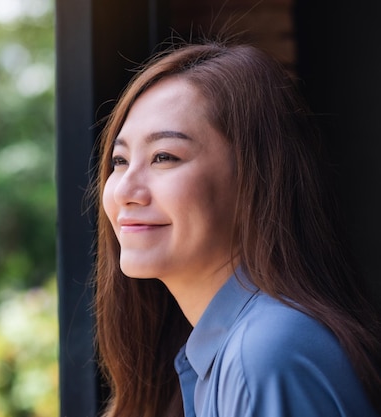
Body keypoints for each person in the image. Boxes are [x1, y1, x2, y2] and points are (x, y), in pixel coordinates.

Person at [91, 42, 381, 417]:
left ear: (255, 178)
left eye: (164, 156)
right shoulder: (222, 352)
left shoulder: (265, 354)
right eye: (120, 160)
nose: (125, 191)